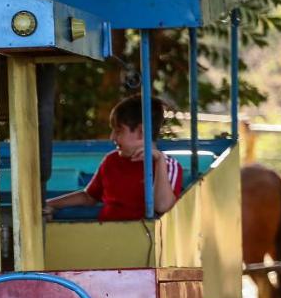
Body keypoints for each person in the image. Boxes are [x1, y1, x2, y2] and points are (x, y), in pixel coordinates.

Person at [45, 95, 182, 221]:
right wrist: (49, 204)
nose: (112, 138)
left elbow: (162, 206)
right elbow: (89, 197)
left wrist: (159, 162)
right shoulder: (111, 160)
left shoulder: (167, 165)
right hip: (105, 239)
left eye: (118, 131)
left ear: (142, 132)